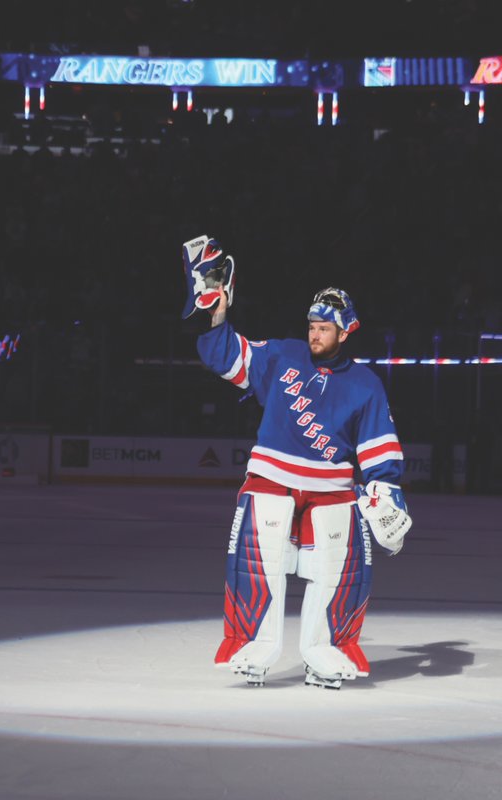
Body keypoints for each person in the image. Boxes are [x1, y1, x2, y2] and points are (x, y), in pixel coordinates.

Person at [183, 235, 412, 689]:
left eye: (325, 328)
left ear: (347, 331)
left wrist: (387, 494)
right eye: (311, 325)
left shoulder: (366, 385)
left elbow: (380, 452)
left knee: (336, 568)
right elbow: (224, 356)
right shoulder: (283, 354)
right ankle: (254, 644)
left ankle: (324, 649)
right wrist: (219, 312)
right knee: (257, 560)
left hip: (332, 485)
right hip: (271, 474)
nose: (314, 334)